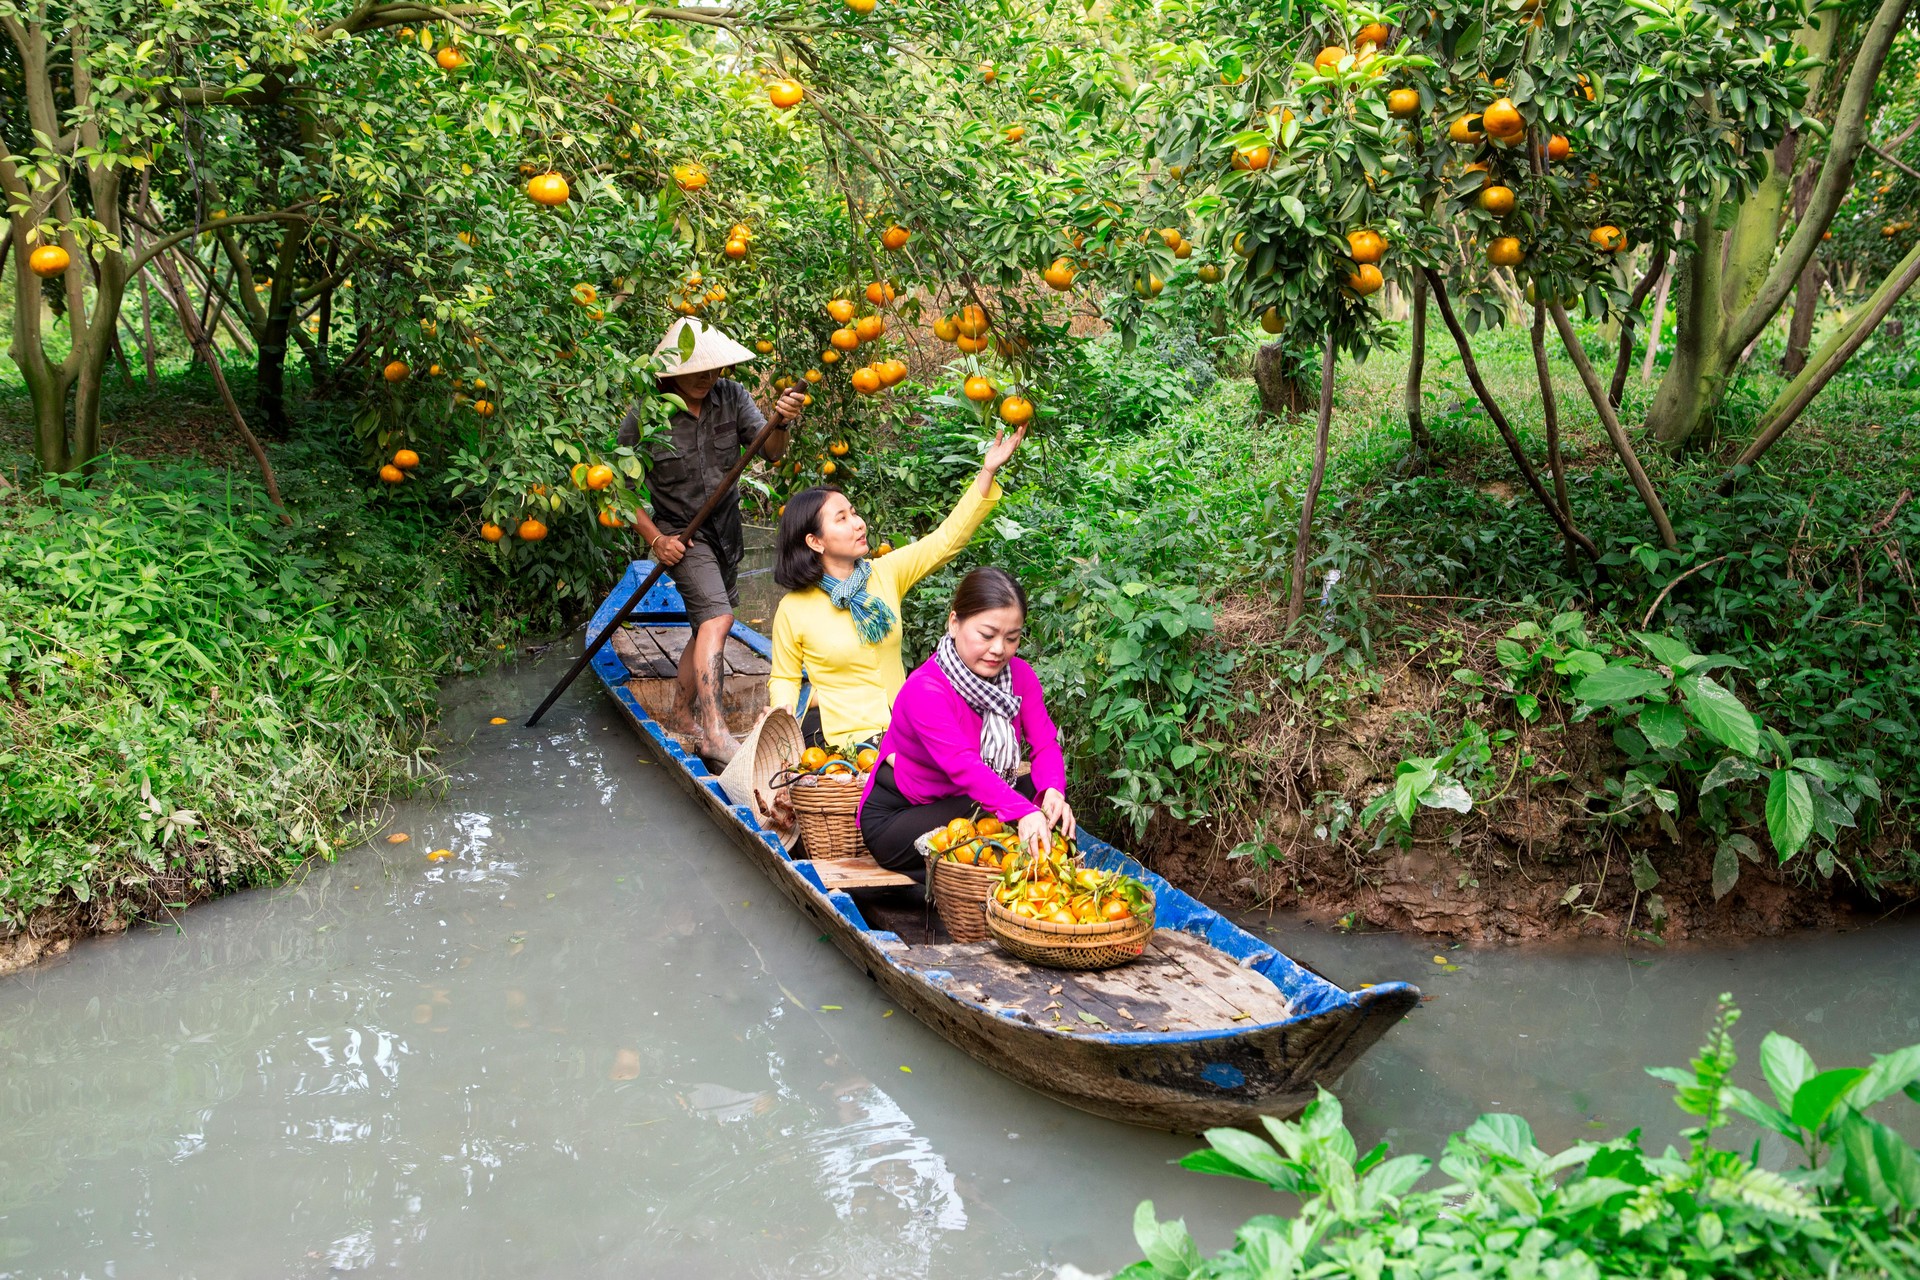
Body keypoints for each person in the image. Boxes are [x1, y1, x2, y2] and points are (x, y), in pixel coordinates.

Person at [767, 423, 1025, 750]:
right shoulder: (794, 607)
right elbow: (785, 677)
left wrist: (987, 472)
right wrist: (783, 709)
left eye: (854, 513)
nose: (859, 523)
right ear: (815, 541)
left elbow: (946, 542)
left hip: (902, 726)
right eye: (842, 518)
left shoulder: (885, 573)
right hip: (842, 741)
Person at [625, 318, 806, 765]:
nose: (707, 378)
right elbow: (616, 491)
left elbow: (772, 451)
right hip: (683, 538)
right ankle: (714, 731)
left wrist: (781, 421)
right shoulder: (647, 413)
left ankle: (681, 714)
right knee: (720, 619)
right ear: (668, 373)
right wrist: (655, 539)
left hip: (726, 531)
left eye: (713, 370)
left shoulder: (733, 397)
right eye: (696, 371)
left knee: (705, 625)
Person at [857, 567, 1075, 875]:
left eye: (1011, 638)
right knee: (1006, 805)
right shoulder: (926, 689)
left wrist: (1053, 791)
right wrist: (1023, 810)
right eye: (987, 635)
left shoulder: (1020, 677)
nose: (999, 649)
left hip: (967, 799)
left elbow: (1045, 745)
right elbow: (964, 767)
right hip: (902, 817)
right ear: (955, 623)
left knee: (1046, 805)